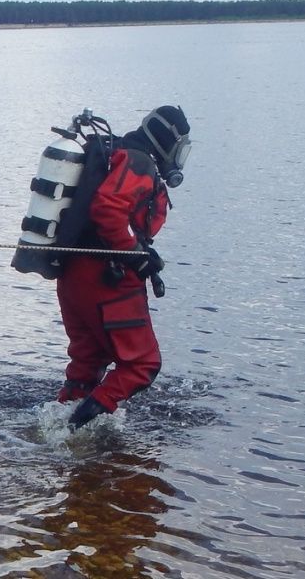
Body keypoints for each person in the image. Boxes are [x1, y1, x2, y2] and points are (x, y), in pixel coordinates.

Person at [56, 105, 190, 429]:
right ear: (167, 143)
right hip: (106, 280)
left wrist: (137, 251)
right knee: (143, 364)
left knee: (86, 365)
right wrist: (135, 253)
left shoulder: (115, 154)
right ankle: (75, 429)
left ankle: (53, 428)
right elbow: (108, 209)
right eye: (180, 149)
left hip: (72, 275)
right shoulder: (139, 163)